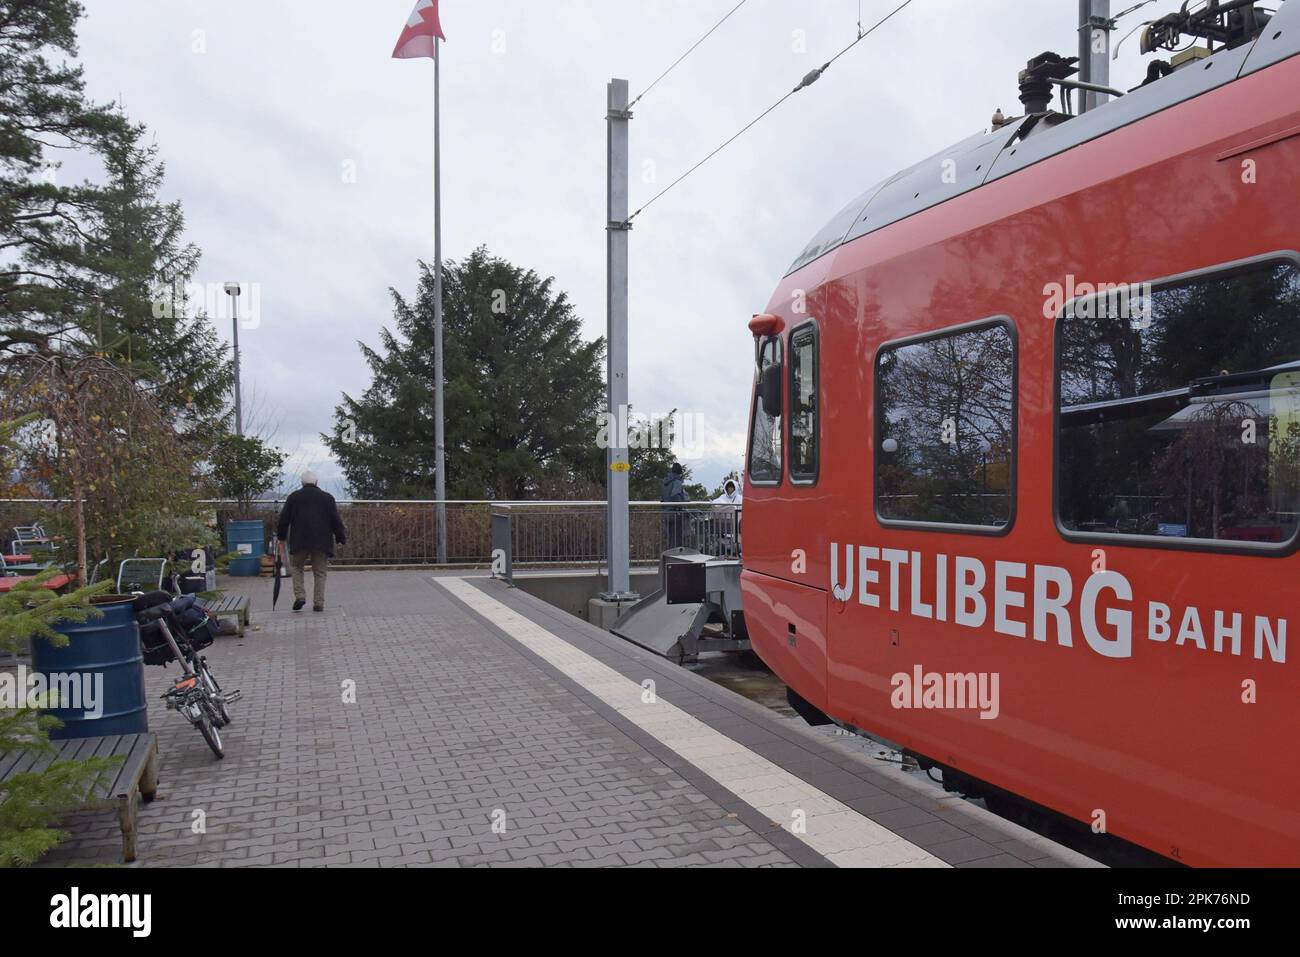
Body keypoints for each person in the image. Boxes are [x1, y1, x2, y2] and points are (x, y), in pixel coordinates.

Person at [275, 471, 347, 612]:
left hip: (299, 540)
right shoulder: (327, 498)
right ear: (317, 482)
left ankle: (300, 596)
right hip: (321, 541)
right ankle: (318, 603)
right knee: (320, 572)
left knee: (296, 568)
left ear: (302, 483)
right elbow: (335, 520)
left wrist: (281, 537)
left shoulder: (293, 497)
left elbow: (284, 520)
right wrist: (340, 537)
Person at [660, 462, 688, 550]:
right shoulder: (677, 482)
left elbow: (662, 497)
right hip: (675, 513)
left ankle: (669, 557)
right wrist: (681, 505)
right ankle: (676, 558)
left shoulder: (666, 482)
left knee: (670, 538)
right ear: (680, 472)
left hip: (666, 513)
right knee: (677, 538)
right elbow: (675, 495)